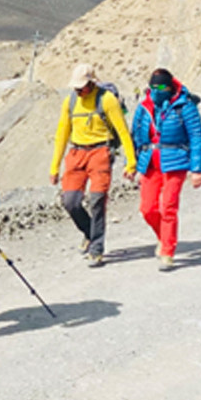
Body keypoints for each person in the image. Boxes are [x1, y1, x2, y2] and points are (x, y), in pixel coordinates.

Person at [48, 64, 136, 267]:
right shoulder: (69, 102)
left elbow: (123, 132)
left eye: (82, 87)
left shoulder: (107, 100)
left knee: (97, 200)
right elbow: (62, 134)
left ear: (91, 82)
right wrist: (54, 167)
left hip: (100, 153)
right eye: (76, 87)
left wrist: (130, 163)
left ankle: (96, 248)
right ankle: (89, 232)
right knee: (70, 201)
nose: (78, 91)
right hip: (76, 153)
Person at [130, 68, 201, 271]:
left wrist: (197, 169)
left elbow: (197, 137)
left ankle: (168, 251)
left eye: (161, 87)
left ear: (170, 86)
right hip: (150, 162)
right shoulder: (144, 106)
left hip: (176, 161)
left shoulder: (185, 105)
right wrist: (132, 163)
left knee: (169, 207)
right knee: (147, 209)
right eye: (153, 87)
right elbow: (135, 134)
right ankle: (163, 237)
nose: (157, 91)